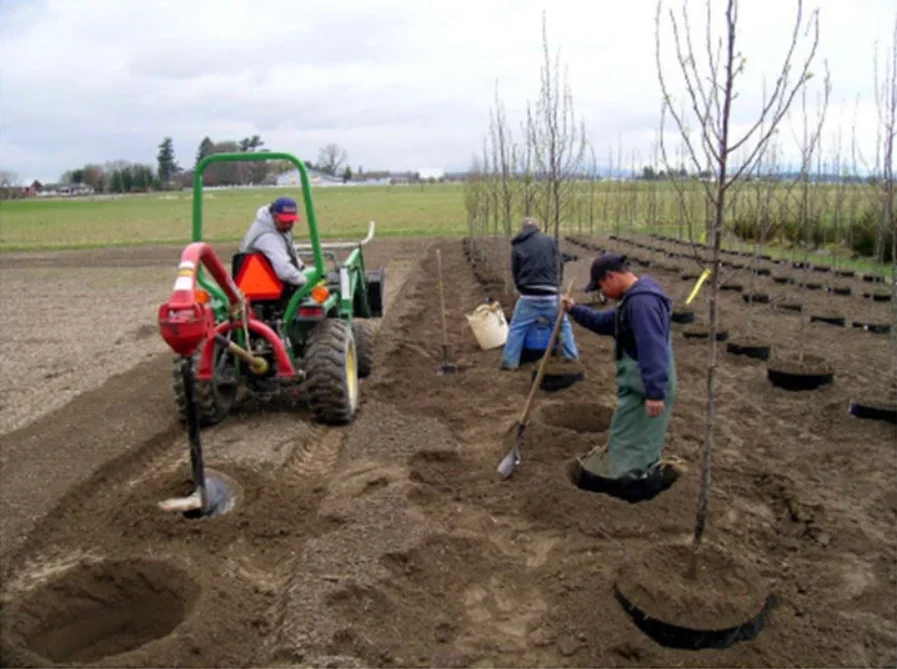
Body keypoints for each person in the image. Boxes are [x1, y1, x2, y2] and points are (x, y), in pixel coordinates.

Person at [561, 252, 680, 497]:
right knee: (629, 436)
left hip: (647, 387)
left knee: (634, 442)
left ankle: (631, 491)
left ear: (611, 277)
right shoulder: (632, 300)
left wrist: (655, 393)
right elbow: (607, 322)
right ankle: (629, 479)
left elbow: (652, 348)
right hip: (640, 386)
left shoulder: (642, 303)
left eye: (601, 286)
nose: (602, 293)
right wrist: (575, 310)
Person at [500, 218, 579, 370]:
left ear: (523, 229)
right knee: (563, 325)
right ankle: (572, 358)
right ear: (538, 228)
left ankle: (509, 363)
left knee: (517, 327)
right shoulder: (550, 240)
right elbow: (559, 264)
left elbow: (515, 271)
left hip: (529, 295)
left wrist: (522, 289)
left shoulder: (517, 244)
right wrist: (558, 285)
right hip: (551, 294)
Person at [240, 196, 307, 287]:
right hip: (262, 286)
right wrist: (306, 282)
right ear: (274, 216)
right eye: (284, 221)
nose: (287, 225)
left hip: (271, 281)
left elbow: (289, 252)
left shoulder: (278, 228)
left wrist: (301, 266)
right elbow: (284, 270)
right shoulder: (267, 237)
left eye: (291, 221)